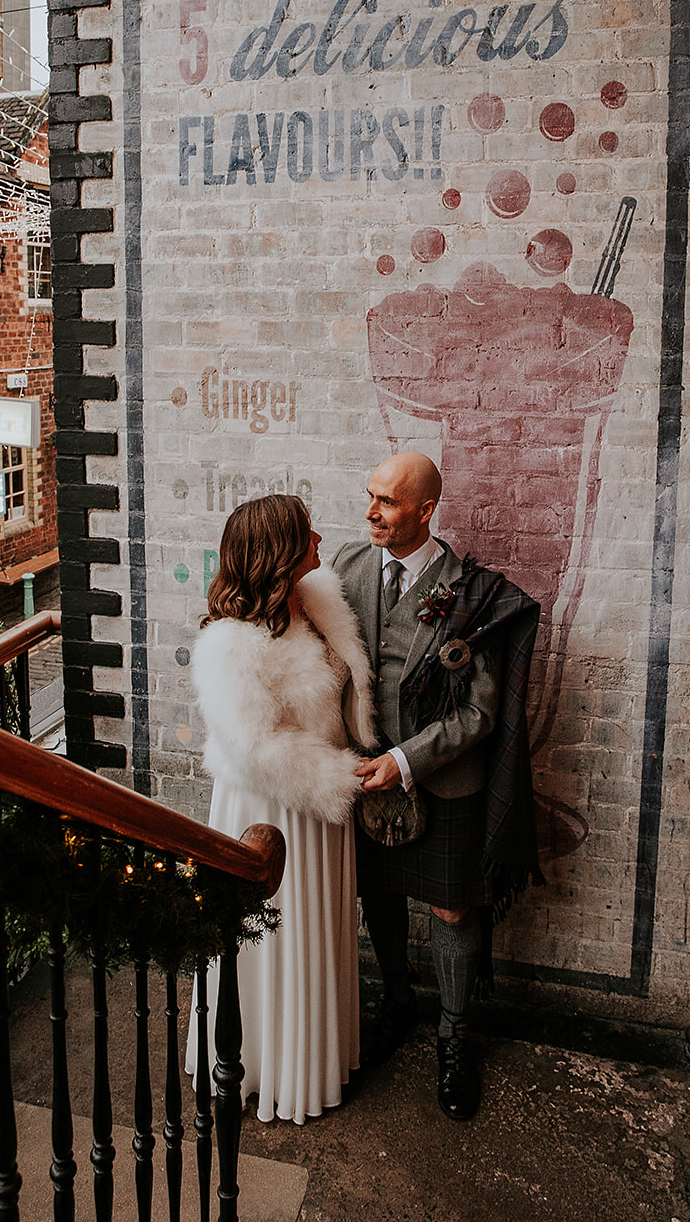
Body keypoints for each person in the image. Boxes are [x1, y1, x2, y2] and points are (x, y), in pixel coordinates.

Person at [333, 452, 541, 1121]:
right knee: (380, 896)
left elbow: (479, 713)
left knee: (451, 911)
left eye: (387, 502)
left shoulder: (471, 593)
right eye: (369, 496)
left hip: (441, 783)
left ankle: (454, 1038)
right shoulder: (344, 568)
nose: (371, 512)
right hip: (363, 780)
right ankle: (397, 1003)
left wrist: (405, 759)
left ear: (425, 511)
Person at [186, 493, 375, 1124]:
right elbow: (258, 748)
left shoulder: (317, 601)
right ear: (280, 552)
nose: (320, 537)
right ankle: (266, 1066)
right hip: (275, 805)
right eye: (305, 533)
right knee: (271, 938)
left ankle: (315, 1055)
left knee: (316, 927)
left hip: (323, 804)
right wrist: (340, 777)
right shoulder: (229, 644)